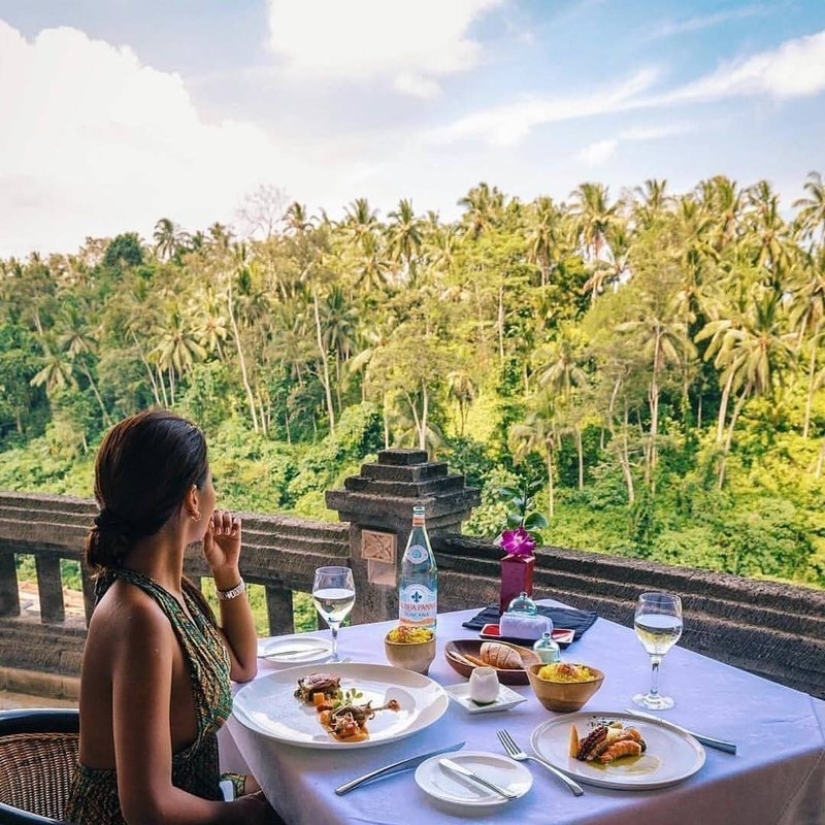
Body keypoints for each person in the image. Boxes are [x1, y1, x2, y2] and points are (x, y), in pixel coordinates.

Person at [65, 410, 282, 824]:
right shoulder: (140, 616)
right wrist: (244, 814)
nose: (216, 495)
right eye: (211, 483)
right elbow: (147, 807)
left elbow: (242, 665)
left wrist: (227, 572)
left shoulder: (170, 588)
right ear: (192, 498)